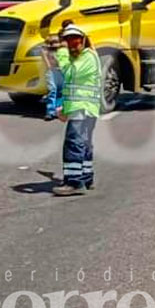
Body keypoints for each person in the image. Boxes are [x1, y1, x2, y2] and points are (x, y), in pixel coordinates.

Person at [51, 24, 102, 197]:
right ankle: (86, 178)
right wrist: (63, 109)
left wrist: (62, 53)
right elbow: (71, 88)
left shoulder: (88, 56)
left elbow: (70, 74)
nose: (72, 43)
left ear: (84, 39)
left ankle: (74, 182)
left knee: (74, 144)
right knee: (84, 144)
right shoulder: (80, 58)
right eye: (68, 40)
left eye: (76, 39)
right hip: (83, 108)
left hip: (83, 109)